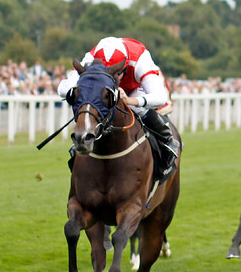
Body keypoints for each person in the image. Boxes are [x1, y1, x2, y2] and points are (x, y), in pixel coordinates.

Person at [58, 37, 180, 180]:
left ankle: (167, 139)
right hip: (103, 89)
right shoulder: (91, 57)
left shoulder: (140, 60)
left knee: (138, 109)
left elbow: (160, 97)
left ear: (125, 67)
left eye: (117, 73)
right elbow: (63, 88)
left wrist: (130, 100)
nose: (114, 78)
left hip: (136, 88)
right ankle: (84, 138)